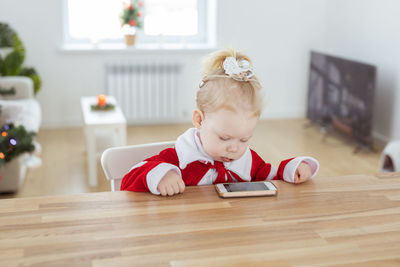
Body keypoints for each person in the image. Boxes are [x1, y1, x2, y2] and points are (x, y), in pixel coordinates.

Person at [121, 49, 319, 196]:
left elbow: (270, 174)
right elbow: (128, 181)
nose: (234, 148)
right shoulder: (179, 158)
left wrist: (295, 169)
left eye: (244, 139)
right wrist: (161, 176)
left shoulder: (247, 161)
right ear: (199, 120)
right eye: (225, 137)